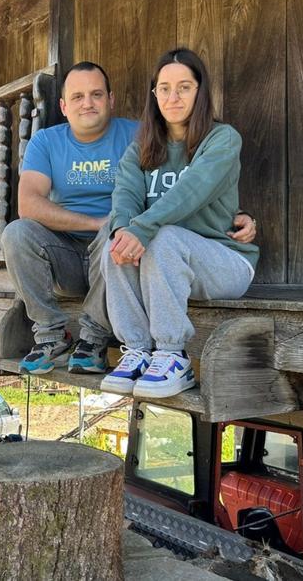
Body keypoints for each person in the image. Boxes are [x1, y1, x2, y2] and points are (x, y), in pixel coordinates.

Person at [1, 61, 255, 376]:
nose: (87, 103)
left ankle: (93, 340)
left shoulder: (142, 135)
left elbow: (189, 184)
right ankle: (51, 335)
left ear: (111, 99)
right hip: (78, 251)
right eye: (78, 97)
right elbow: (28, 205)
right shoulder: (47, 141)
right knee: (16, 233)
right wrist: (100, 223)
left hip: (123, 252)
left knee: (118, 232)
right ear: (64, 107)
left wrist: (235, 213)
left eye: (96, 94)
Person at [99, 47, 259, 398]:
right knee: (115, 235)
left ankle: (173, 354)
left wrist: (142, 228)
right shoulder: (140, 147)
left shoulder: (222, 138)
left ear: (200, 91)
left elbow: (192, 191)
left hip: (224, 261)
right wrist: (126, 230)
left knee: (163, 236)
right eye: (165, 88)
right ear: (154, 93)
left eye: (184, 87)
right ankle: (138, 349)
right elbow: (125, 195)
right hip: (163, 263)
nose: (173, 97)